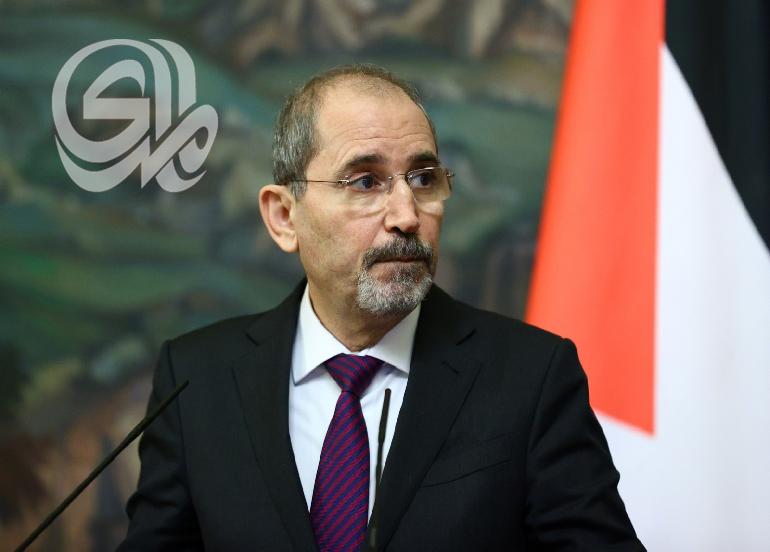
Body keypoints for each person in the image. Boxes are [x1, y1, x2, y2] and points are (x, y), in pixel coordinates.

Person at [118, 64, 645, 551]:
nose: (406, 216)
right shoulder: (196, 380)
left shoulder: (531, 376)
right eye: (366, 182)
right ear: (283, 216)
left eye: (423, 178)